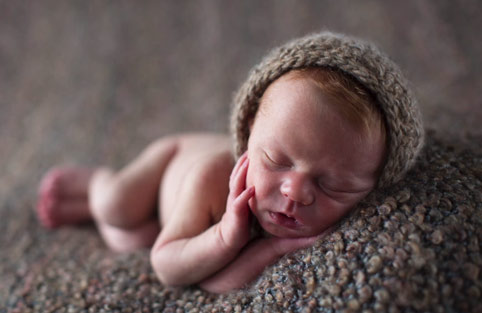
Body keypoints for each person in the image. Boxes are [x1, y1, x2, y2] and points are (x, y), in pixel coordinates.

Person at [35, 32, 424, 293]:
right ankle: (96, 185)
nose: (296, 192)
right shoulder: (212, 176)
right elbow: (167, 269)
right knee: (118, 208)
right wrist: (224, 236)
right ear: (250, 130)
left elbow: (213, 283)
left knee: (132, 239)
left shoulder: (319, 215)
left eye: (335, 185)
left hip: (175, 226)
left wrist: (270, 250)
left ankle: (90, 211)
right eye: (275, 160)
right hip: (168, 166)